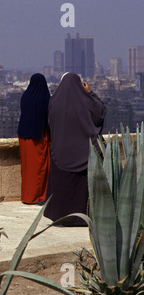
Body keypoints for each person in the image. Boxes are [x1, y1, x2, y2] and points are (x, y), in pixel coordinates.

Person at [44, 72, 107, 226]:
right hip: (84, 154)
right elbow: (101, 113)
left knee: (62, 187)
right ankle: (83, 217)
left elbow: (50, 125)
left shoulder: (54, 101)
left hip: (61, 152)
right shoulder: (87, 102)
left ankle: (61, 216)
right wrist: (90, 93)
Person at [17, 73, 50, 205]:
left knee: (26, 169)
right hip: (38, 138)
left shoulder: (25, 96)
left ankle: (27, 196)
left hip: (24, 137)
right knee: (39, 167)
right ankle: (39, 196)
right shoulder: (44, 98)